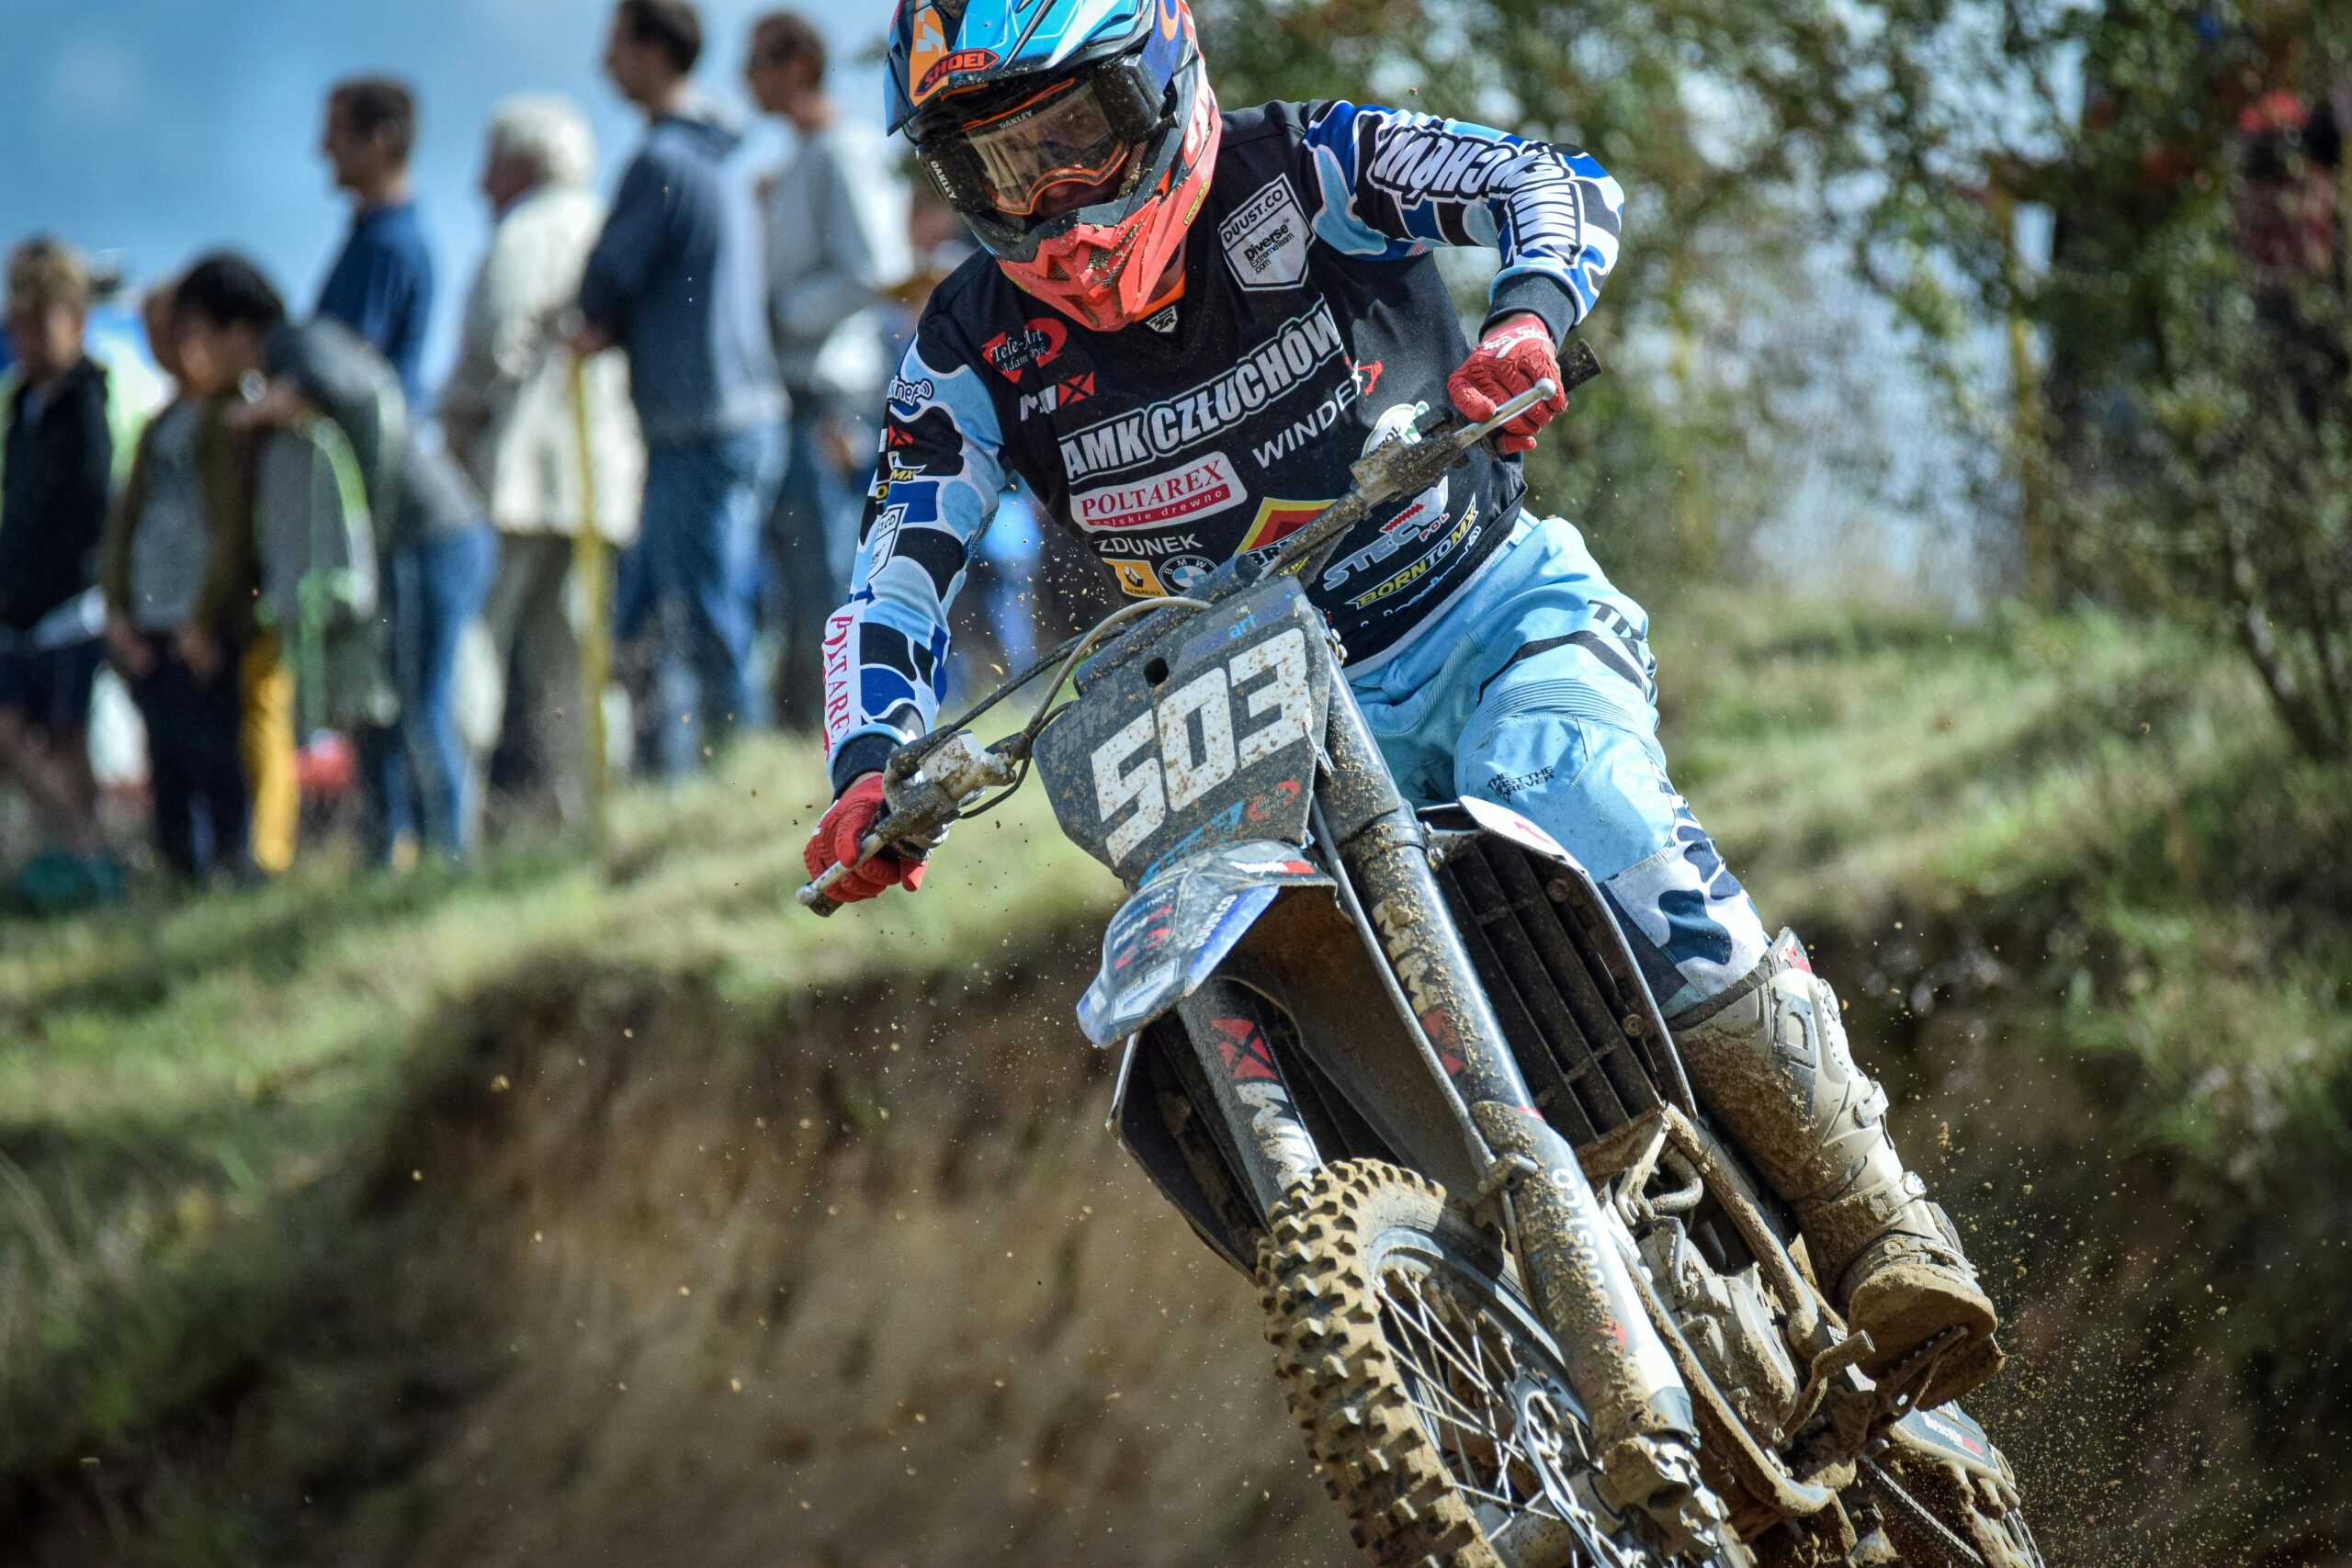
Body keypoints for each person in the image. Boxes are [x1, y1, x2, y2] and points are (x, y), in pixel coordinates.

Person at [802, 0, 2001, 1425]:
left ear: (1161, 79)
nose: (1052, 198)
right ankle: (1464, 1382)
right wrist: (870, 762)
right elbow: (895, 567)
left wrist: (1528, 320)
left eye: (1076, 135)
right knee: (1252, 982)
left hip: (1489, 617)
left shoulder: (1309, 166)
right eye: (999, 165)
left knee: (1576, 792)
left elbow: (1552, 180)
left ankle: (1875, 1218)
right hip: (1263, 729)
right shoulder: (969, 345)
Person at [173, 254, 493, 865]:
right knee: (381, 708)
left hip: (429, 537)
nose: (192, 353)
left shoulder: (302, 346)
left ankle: (450, 859)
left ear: (236, 327)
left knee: (418, 706)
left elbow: (365, 393)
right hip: (408, 546)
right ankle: (389, 857)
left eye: (198, 333)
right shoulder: (287, 358)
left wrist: (295, 397)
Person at [573, 0, 785, 776]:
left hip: (699, 421)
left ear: (654, 50)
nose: (605, 63)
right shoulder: (721, 160)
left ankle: (737, 777)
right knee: (717, 605)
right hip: (742, 410)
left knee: (703, 614)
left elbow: (603, 285)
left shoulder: (659, 163)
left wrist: (590, 320)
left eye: (616, 45)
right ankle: (726, 771)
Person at [441, 95, 644, 827]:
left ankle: (457, 814)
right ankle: (593, 811)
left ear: (523, 163)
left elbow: (491, 357)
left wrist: (455, 430)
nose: (479, 183)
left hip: (517, 477)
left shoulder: (520, 236)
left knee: (478, 639)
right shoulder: (610, 226)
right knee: (580, 653)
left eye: (491, 163)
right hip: (600, 480)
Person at [745, 9, 910, 729]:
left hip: (830, 395)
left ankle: (853, 728)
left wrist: (780, 311)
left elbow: (875, 267)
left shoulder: (840, 153)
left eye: (756, 63)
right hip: (804, 393)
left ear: (797, 67)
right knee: (806, 572)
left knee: (831, 573)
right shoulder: (799, 162)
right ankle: (829, 727)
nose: (744, 80)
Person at [102, 277, 289, 882]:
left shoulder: (232, 417)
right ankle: (178, 872)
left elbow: (234, 528)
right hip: (152, 616)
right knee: (166, 753)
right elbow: (126, 525)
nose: (174, 349)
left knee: (218, 750)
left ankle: (238, 869)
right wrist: (119, 609)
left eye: (183, 333)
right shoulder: (158, 426)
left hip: (204, 620)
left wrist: (205, 620)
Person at [0, 237, 137, 908]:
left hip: (70, 604)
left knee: (66, 737)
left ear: (76, 323)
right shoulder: (21, 405)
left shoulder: (88, 398)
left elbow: (90, 504)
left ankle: (89, 859)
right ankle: (84, 851)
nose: (27, 339)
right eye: (18, 325)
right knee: (20, 733)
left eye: (40, 324)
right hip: (19, 601)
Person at [316, 77, 435, 409]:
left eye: (337, 130)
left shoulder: (389, 246)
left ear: (382, 139)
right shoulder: (373, 238)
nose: (324, 147)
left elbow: (341, 373)